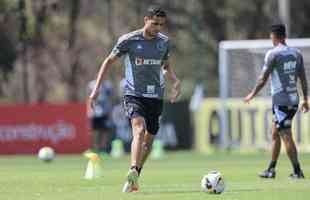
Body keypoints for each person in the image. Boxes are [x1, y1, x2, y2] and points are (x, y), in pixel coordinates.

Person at [88, 5, 181, 192]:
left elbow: (165, 65)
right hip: (133, 94)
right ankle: (132, 168)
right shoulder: (128, 40)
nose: (158, 28)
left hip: (156, 95)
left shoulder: (164, 42)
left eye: (161, 25)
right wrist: (96, 89)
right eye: (155, 23)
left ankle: (136, 174)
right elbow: (108, 61)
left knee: (149, 138)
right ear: (146, 19)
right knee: (138, 129)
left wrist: (175, 81)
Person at [244, 24, 308, 179]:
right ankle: (271, 169)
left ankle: (297, 171)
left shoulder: (273, 54)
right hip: (293, 99)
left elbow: (262, 79)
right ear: (284, 36)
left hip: (281, 101)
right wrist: (305, 99)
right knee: (275, 133)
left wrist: (252, 94)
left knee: (286, 135)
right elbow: (303, 79)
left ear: (273, 36)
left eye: (271, 36)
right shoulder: (297, 53)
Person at [87, 79, 114, 154]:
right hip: (95, 111)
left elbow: (110, 98)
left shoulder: (108, 85)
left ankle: (103, 149)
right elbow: (89, 98)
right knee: (94, 131)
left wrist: (110, 111)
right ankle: (94, 148)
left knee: (104, 131)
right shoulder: (92, 84)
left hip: (105, 111)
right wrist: (89, 109)